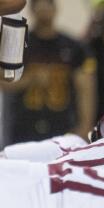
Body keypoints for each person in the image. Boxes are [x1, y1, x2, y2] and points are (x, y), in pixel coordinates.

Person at [1, 0, 95, 143]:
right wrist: (30, 79)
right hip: (21, 128)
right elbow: (4, 81)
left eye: (48, 3)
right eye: (38, 3)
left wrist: (84, 127)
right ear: (31, 9)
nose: (43, 7)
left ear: (55, 8)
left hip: (63, 128)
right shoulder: (18, 43)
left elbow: (86, 90)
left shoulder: (74, 47)